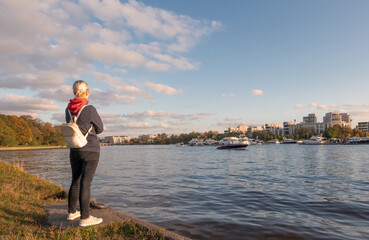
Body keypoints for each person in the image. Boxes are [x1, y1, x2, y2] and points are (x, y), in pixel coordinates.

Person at [66, 80, 104, 227]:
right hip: (90, 149)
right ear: (87, 91)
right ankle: (85, 218)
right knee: (85, 183)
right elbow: (100, 128)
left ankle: (71, 212)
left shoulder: (67, 109)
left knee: (75, 180)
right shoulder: (89, 108)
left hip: (74, 149)